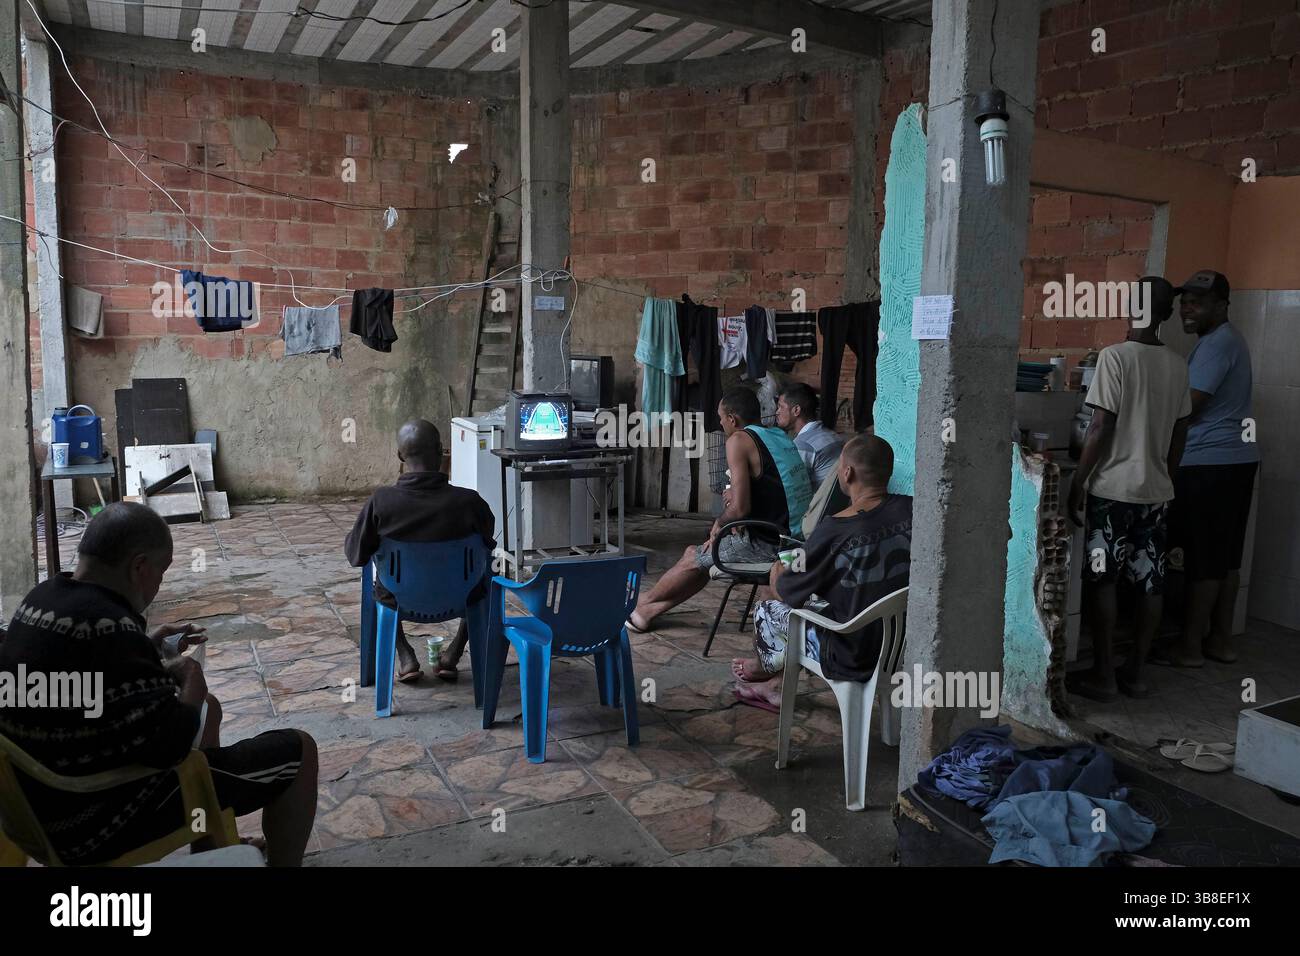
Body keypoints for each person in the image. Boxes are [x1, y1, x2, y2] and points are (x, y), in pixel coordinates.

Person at [0, 503, 318, 866]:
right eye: (161, 571)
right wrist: (192, 679)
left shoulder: (42, 598)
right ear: (139, 567)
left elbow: (86, 681)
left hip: (38, 805)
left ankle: (211, 839)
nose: (160, 582)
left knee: (209, 709)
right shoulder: (111, 629)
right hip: (96, 820)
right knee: (299, 752)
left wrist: (147, 649)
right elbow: (173, 746)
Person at [1067, 277, 1191, 702]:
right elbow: (1180, 433)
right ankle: (1135, 674)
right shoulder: (1177, 363)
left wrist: (1078, 481)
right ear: (1167, 313)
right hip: (1155, 494)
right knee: (1149, 581)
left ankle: (1103, 677)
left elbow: (1100, 425)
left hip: (1113, 492)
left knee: (1103, 581)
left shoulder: (1114, 358)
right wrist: (1165, 476)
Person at [732, 434, 912, 710]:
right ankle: (772, 680)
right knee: (819, 599)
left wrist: (778, 573)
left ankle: (768, 674)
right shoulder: (911, 509)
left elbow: (787, 594)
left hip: (849, 653)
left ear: (847, 473)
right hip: (900, 646)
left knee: (768, 605)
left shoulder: (835, 528)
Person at [628, 387, 812, 632]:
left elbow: (740, 508)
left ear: (733, 419)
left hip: (771, 544)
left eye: (721, 418)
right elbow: (770, 487)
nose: (721, 423)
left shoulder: (738, 440)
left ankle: (643, 605)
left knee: (695, 555)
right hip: (796, 538)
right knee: (704, 555)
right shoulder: (777, 435)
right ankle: (646, 611)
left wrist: (719, 524)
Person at [344, 419, 496, 682]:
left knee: (378, 583)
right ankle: (453, 653)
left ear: (400, 456)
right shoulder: (469, 502)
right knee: (484, 581)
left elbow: (355, 555)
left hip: (401, 599)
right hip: (460, 597)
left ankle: (405, 655)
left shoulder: (381, 503)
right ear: (441, 451)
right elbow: (487, 543)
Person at [1160, 271, 1259, 666]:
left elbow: (1191, 405)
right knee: (1225, 556)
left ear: (1221, 305)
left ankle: (1189, 648)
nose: (1187, 308)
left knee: (1204, 558)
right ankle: (1220, 641)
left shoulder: (1218, 344)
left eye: (1197, 302)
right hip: (1235, 461)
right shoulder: (1221, 342)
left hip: (1210, 463)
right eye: (1185, 301)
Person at [776, 382, 845, 486]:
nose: (777, 412)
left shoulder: (802, 446)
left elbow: (793, 488)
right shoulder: (835, 436)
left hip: (820, 502)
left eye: (781, 407)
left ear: (796, 410)